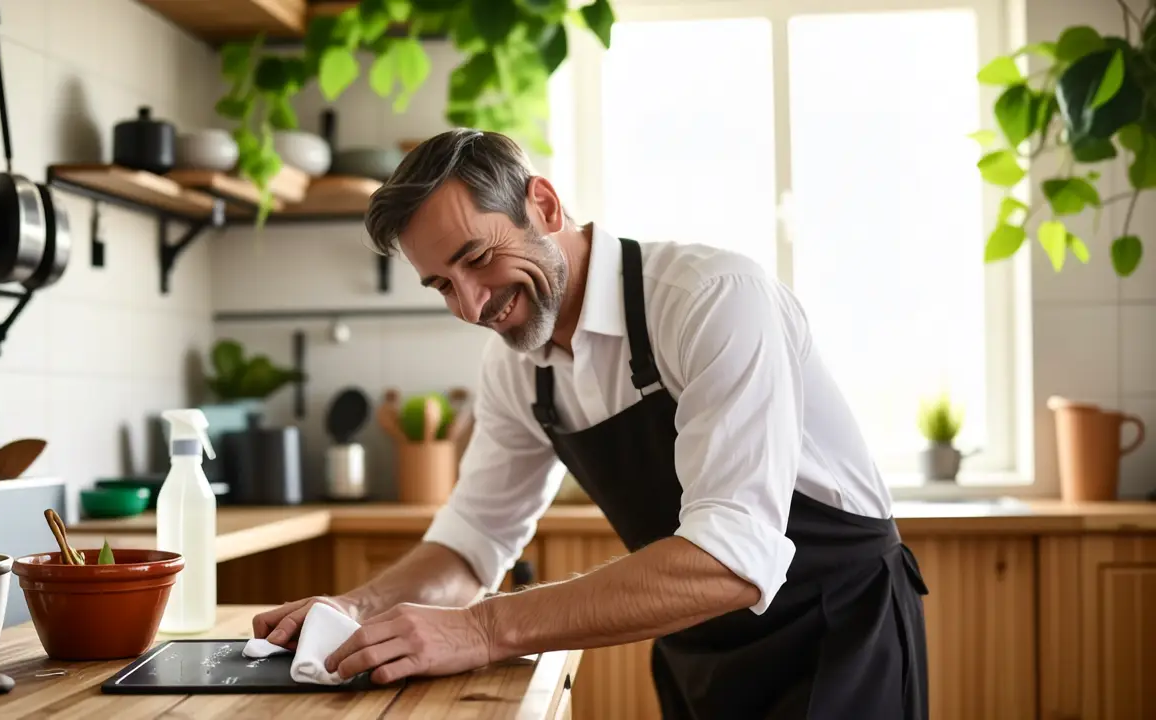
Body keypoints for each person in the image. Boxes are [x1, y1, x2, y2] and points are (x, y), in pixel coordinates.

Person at [253, 128, 930, 719]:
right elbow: (473, 542)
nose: (471, 304)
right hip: (698, 649)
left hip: (837, 636)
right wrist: (355, 610)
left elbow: (731, 560)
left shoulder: (713, 300)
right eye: (442, 285)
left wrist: (484, 630)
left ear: (543, 206)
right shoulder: (517, 368)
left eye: (476, 259)